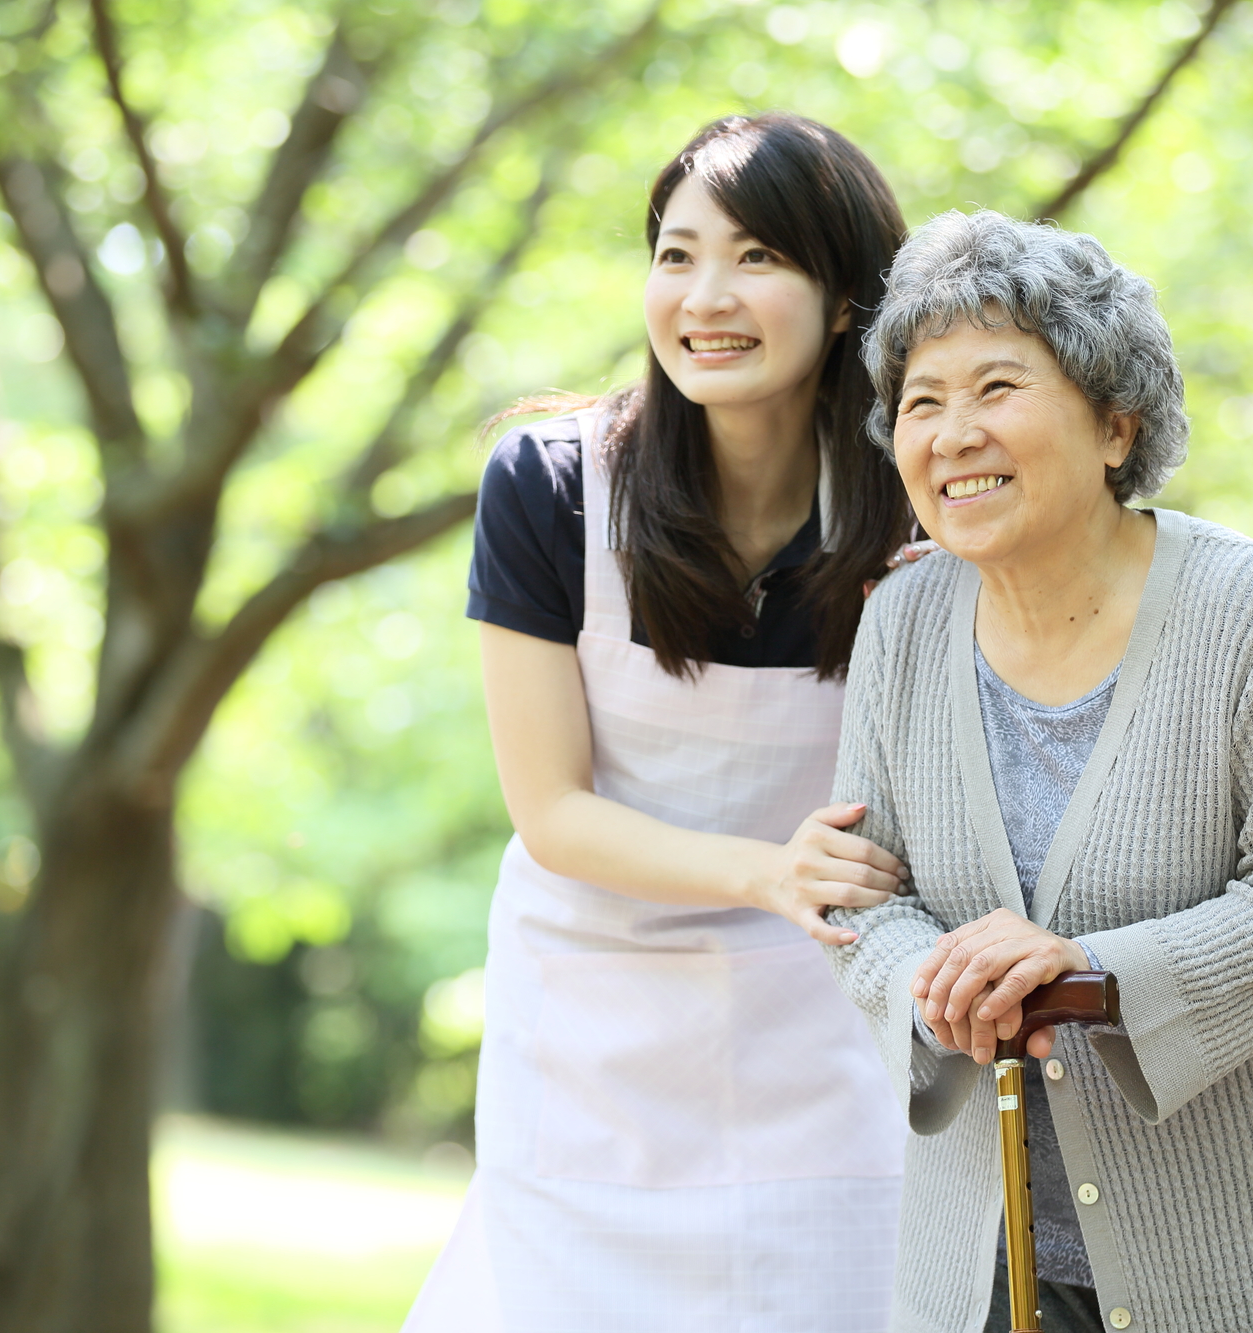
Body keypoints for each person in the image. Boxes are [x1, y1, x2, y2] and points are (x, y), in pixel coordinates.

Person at [825, 210, 1253, 1333]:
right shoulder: (898, 622)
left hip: (1244, 1263)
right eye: (922, 403)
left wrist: (1090, 971)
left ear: (1114, 424)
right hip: (984, 1258)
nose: (952, 433)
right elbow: (862, 890)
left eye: (996, 388)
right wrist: (944, 984)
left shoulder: (1248, 608)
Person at [402, 115, 916, 1332]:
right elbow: (551, 810)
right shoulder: (550, 487)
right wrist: (770, 871)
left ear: (846, 297)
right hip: (591, 1034)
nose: (704, 296)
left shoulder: (911, 510)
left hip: (823, 1023)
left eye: (755, 258)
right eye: (675, 256)